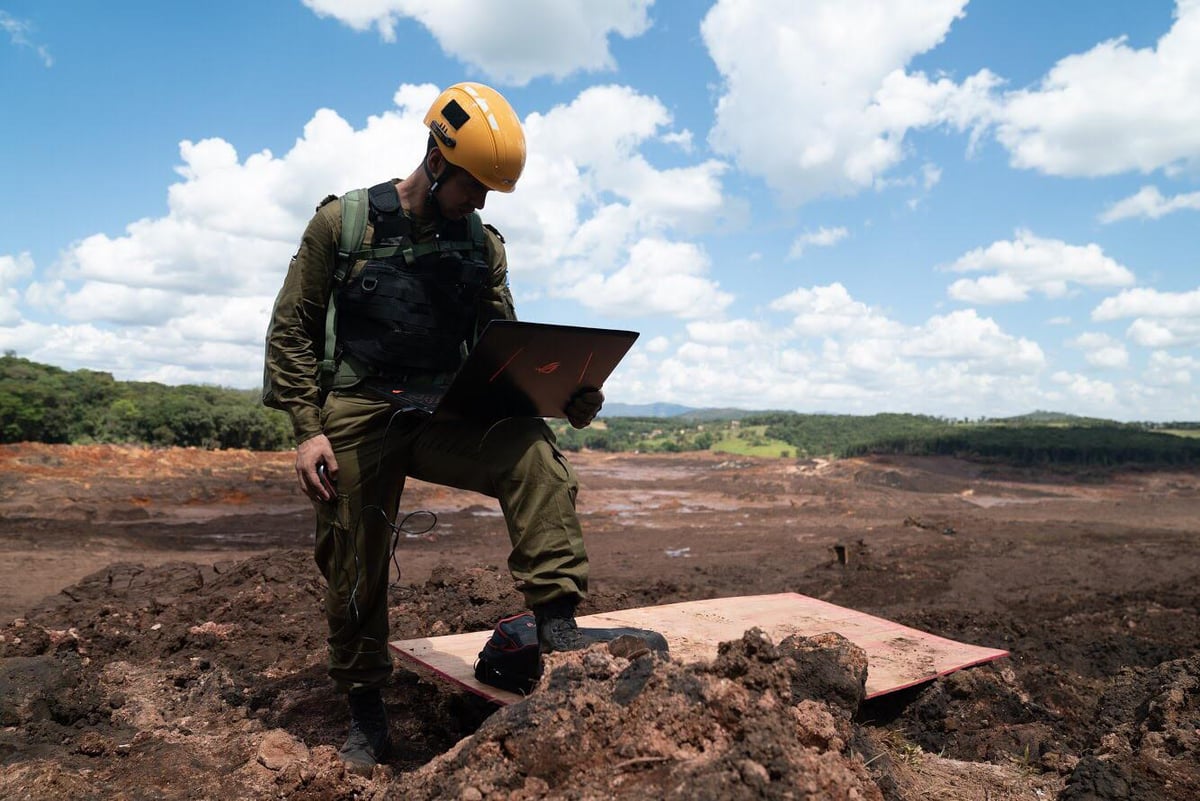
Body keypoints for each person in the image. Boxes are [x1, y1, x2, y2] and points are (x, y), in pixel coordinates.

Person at [263, 82, 605, 775]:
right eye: (474, 186)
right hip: (358, 409)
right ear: (437, 159)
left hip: (443, 411)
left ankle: (558, 626)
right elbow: (290, 330)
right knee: (352, 549)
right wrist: (308, 429)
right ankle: (365, 702)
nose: (480, 202)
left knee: (534, 452)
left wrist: (560, 392)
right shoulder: (344, 224)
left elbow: (503, 343)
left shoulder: (484, 246)